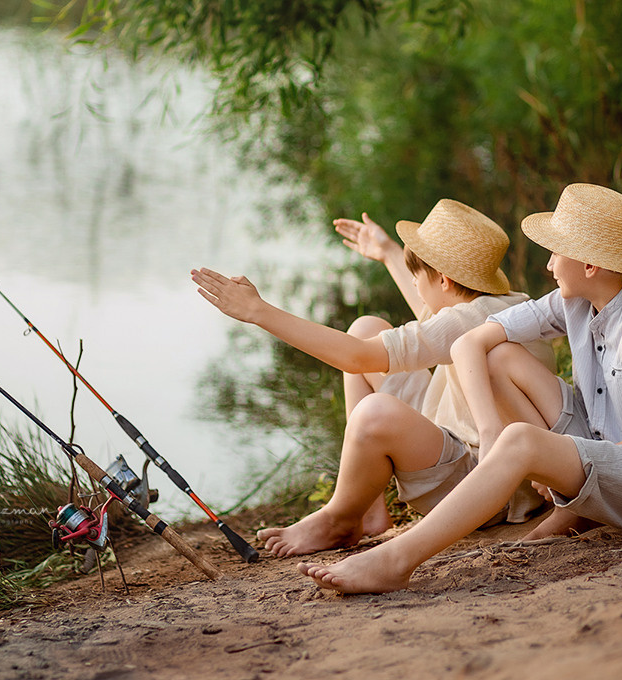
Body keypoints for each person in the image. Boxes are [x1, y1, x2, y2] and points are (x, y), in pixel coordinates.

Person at [298, 183, 622, 593]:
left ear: (590, 265)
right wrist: (491, 437)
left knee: (523, 441)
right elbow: (471, 340)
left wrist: (557, 461)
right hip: (601, 437)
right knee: (498, 354)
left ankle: (395, 561)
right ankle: (568, 504)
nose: (547, 264)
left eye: (555, 252)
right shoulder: (575, 301)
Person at [191, 199, 555, 557]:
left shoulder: (468, 321)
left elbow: (355, 357)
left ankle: (340, 518)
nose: (414, 286)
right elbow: (432, 320)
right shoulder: (502, 304)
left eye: (417, 278)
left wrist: (259, 311)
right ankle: (369, 508)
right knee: (367, 326)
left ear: (443, 279)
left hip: (486, 486)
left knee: (374, 409)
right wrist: (388, 253)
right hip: (461, 443)